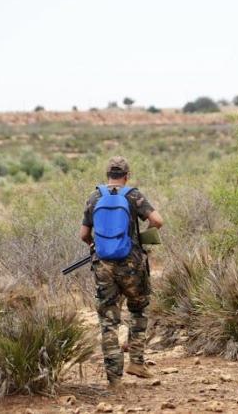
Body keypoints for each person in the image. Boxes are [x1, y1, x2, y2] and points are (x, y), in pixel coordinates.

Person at [79, 156, 164, 389]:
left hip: (103, 266)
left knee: (108, 320)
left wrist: (96, 246)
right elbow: (158, 220)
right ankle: (136, 362)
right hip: (132, 264)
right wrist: (141, 237)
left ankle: (114, 378)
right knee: (138, 310)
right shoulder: (133, 196)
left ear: (107, 175)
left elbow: (84, 235)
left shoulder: (94, 197)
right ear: (126, 176)